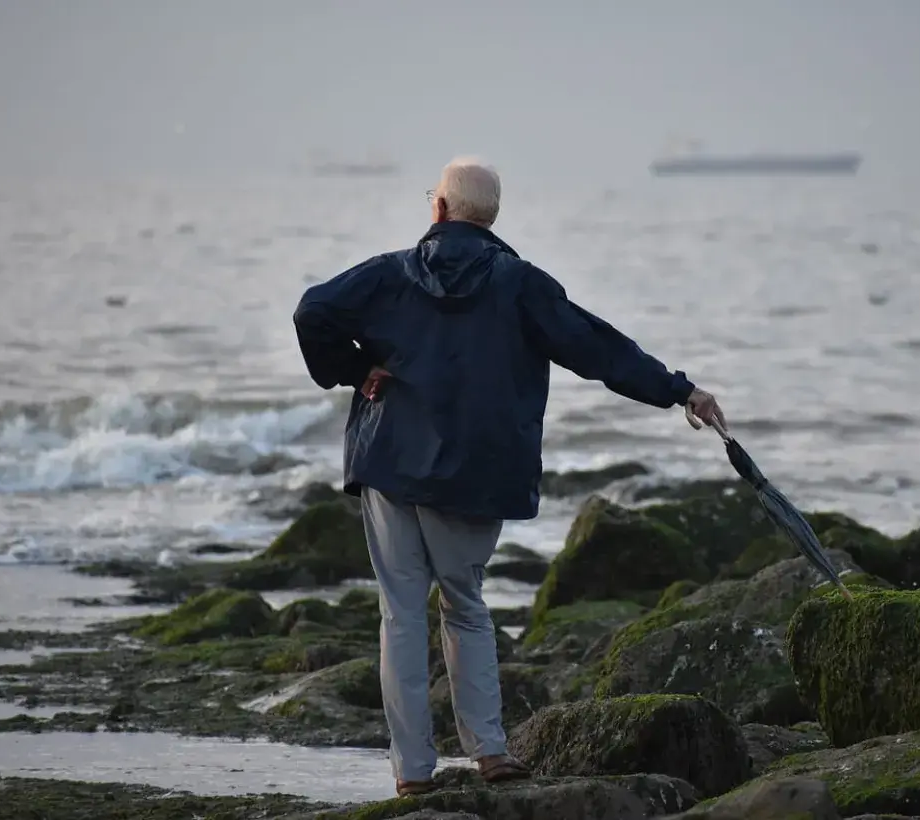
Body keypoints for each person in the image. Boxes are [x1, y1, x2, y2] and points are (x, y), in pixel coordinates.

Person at [292, 157, 725, 796]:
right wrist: (678, 390)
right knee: (464, 606)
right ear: (489, 217)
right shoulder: (519, 283)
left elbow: (310, 311)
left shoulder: (389, 275)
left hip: (390, 461)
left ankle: (413, 772)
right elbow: (596, 348)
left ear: (438, 209)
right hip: (473, 471)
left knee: (403, 615)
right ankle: (490, 752)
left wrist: (353, 370)